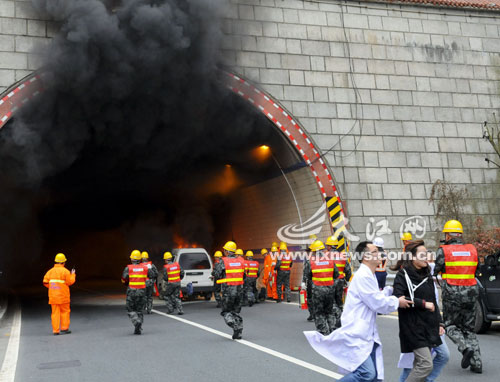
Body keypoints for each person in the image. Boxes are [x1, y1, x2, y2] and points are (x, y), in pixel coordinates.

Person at [304, 241, 413, 381]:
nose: (379, 254)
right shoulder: (363, 276)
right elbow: (377, 303)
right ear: (365, 256)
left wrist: (390, 290)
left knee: (374, 377)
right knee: (366, 374)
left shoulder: (369, 274)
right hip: (357, 333)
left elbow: (375, 295)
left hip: (366, 333)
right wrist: (397, 301)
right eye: (375, 251)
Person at [433, 219, 482, 374]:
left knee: (450, 325)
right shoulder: (472, 249)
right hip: (471, 293)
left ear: (448, 235)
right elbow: (477, 269)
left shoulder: (444, 250)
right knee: (469, 328)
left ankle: (465, 348)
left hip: (452, 294)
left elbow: (435, 270)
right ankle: (477, 364)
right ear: (460, 234)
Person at [392, 240, 443, 382]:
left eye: (427, 253)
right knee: (426, 364)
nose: (426, 257)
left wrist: (440, 323)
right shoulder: (403, 275)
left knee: (421, 364)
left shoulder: (426, 273)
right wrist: (423, 304)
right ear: (412, 258)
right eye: (422, 254)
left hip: (428, 325)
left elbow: (433, 301)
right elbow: (398, 298)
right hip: (412, 327)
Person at [303, 240, 339, 335]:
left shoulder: (310, 261)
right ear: (323, 250)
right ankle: (333, 330)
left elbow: (308, 276)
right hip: (330, 290)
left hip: (317, 290)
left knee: (319, 312)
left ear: (314, 251)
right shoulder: (330, 260)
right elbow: (336, 274)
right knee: (329, 311)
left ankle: (323, 332)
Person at [213, 241, 245, 339]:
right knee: (235, 311)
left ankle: (234, 325)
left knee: (226, 311)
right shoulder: (241, 260)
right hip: (239, 290)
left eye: (224, 250)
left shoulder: (223, 261)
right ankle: (238, 330)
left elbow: (217, 274)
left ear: (227, 251)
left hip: (228, 291)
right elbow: (244, 276)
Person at [121, 250, 155, 334]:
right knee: (139, 310)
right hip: (142, 292)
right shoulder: (145, 268)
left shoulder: (128, 268)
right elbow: (152, 275)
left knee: (130, 309)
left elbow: (124, 279)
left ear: (132, 259)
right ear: (139, 259)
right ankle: (138, 329)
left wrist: (126, 283)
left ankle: (136, 321)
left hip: (131, 292)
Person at [43, 253, 76, 335]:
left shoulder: (50, 272)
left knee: (55, 313)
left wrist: (53, 288)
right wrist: (73, 275)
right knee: (65, 312)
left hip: (53, 297)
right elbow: (70, 282)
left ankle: (55, 330)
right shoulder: (66, 271)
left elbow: (45, 282)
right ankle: (64, 328)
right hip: (63, 297)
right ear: (63, 262)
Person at [325, 235, 352, 328]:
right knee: (339, 301)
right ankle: (341, 320)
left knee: (331, 302)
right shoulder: (342, 256)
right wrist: (347, 280)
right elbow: (348, 270)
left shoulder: (325, 256)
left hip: (329, 282)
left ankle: (333, 323)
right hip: (340, 281)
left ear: (329, 246)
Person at [302, 234, 317, 322]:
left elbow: (306, 270)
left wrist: (304, 281)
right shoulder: (324, 254)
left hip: (312, 280)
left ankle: (313, 314)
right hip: (321, 280)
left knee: (311, 298)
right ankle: (316, 314)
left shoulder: (309, 257)